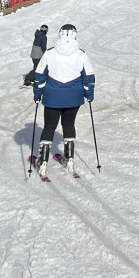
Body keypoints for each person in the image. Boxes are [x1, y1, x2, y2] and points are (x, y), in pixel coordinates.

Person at [33, 23, 95, 175]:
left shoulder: (50, 53)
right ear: (75, 34)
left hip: (53, 96)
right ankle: (70, 159)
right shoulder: (81, 54)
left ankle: (42, 161)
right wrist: (89, 94)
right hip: (74, 97)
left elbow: (39, 75)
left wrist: (37, 94)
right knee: (69, 124)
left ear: (60, 34)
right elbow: (88, 76)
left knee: (49, 126)